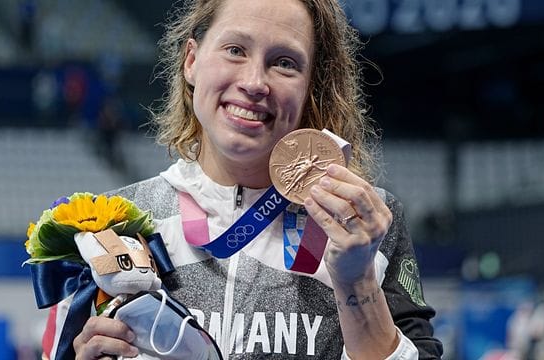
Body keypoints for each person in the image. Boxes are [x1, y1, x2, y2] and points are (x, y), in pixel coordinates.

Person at [69, 0, 443, 358]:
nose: (254, 82)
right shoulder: (116, 223)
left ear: (311, 87)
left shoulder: (364, 223)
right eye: (235, 49)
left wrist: (357, 281)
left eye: (284, 63)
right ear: (192, 62)